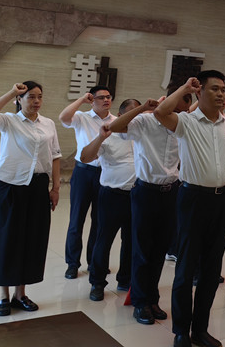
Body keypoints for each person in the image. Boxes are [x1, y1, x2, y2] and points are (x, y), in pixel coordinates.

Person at [154, 72, 225, 347]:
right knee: (186, 267)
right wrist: (184, 88)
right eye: (214, 89)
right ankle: (181, 330)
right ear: (199, 91)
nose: (221, 94)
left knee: (211, 269)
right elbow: (160, 112)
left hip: (223, 200)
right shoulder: (186, 122)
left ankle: (200, 329)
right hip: (193, 199)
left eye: (223, 89)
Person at [0, 82, 61, 316]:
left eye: (39, 96)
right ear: (19, 100)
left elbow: (55, 156)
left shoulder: (49, 124)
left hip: (38, 187)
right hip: (11, 186)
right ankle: (3, 296)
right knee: (6, 239)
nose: (36, 101)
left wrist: (55, 188)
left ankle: (20, 294)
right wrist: (12, 91)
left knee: (31, 239)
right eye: (30, 96)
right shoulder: (9, 121)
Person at [107, 87, 191, 325]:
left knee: (160, 250)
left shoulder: (182, 125)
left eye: (184, 112)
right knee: (142, 250)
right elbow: (114, 127)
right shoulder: (145, 121)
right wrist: (143, 108)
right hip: (145, 192)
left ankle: (152, 299)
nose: (179, 116)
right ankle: (140, 302)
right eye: (177, 110)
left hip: (171, 192)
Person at [81, 99, 140, 301]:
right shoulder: (108, 135)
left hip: (137, 196)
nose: (134, 118)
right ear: (120, 116)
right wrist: (99, 138)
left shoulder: (143, 135)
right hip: (112, 195)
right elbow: (85, 157)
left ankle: (125, 278)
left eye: (138, 114)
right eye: (130, 114)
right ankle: (97, 282)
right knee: (104, 239)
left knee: (131, 241)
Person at [59, 85, 116, 279]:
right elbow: (63, 117)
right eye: (101, 97)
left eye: (108, 97)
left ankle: (94, 262)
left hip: (105, 174)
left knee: (99, 222)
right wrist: (81, 100)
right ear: (92, 100)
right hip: (83, 173)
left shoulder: (115, 121)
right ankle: (72, 264)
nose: (106, 100)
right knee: (77, 220)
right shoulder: (81, 117)